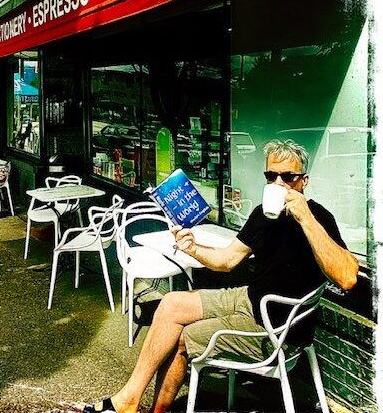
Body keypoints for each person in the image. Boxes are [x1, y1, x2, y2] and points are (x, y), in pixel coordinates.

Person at [82, 139, 358, 413]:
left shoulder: (319, 217)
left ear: (304, 181)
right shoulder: (263, 214)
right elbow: (227, 260)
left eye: (288, 177)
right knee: (169, 304)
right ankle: (129, 398)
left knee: (181, 338)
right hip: (250, 300)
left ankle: (151, 408)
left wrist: (305, 218)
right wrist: (193, 248)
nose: (279, 184)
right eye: (271, 176)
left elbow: (346, 277)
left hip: (276, 330)